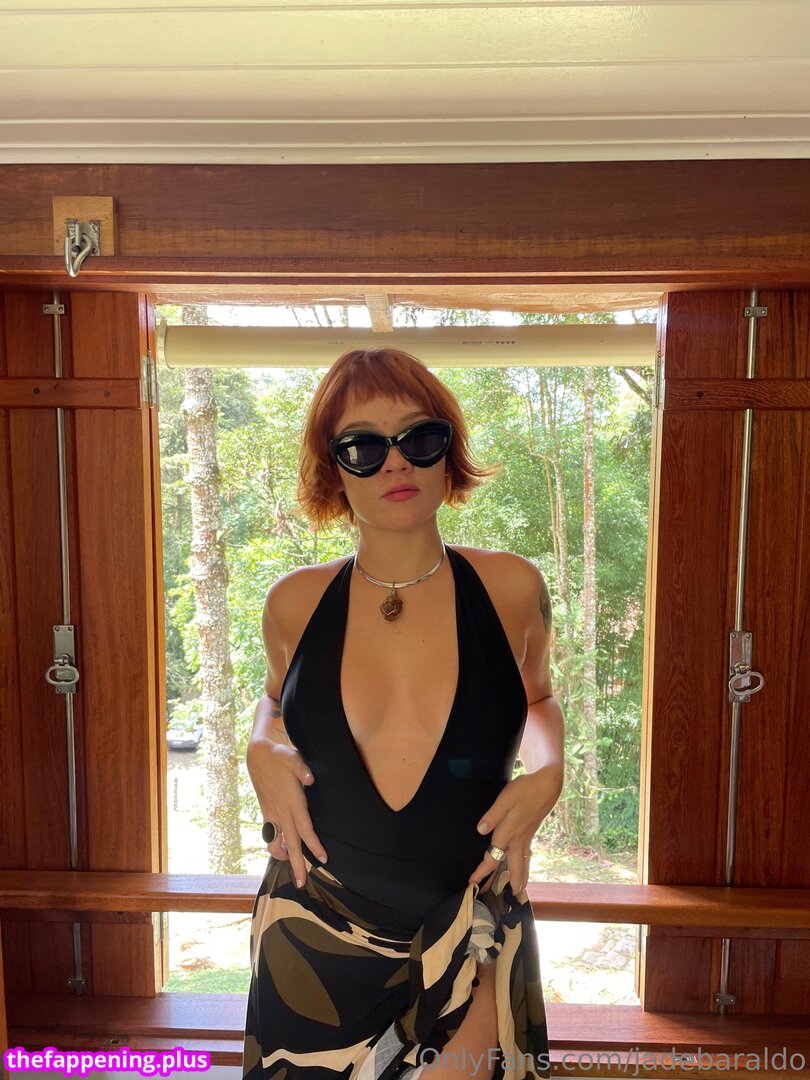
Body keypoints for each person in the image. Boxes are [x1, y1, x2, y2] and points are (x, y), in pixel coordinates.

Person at [242, 348, 564, 1080]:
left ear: (448, 453)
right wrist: (260, 747)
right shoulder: (294, 602)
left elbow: (539, 699)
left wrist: (549, 774)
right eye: (362, 445)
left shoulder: (512, 589)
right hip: (311, 930)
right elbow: (273, 701)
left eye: (420, 437)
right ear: (333, 469)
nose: (395, 462)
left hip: (469, 920)